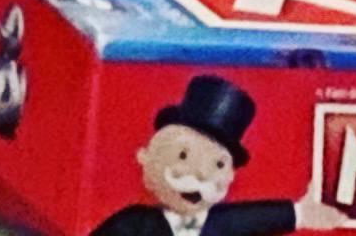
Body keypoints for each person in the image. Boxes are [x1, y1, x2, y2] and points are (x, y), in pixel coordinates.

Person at [89, 76, 342, 236]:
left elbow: (252, 218)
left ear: (230, 175)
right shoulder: (135, 224)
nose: (200, 175)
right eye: (183, 155)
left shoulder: (220, 223)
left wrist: (300, 213)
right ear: (145, 156)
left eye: (217, 165)